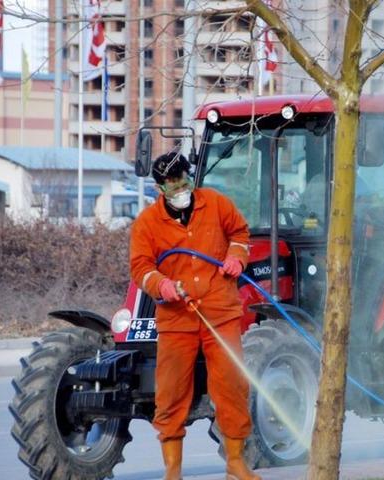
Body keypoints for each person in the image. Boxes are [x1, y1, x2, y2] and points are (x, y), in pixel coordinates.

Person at [129, 151, 259, 480]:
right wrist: (162, 285)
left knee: (231, 386)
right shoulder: (147, 223)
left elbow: (241, 235)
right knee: (170, 393)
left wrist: (236, 258)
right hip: (177, 320)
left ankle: (235, 461)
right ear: (159, 188)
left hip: (220, 312)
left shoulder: (216, 204)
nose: (178, 189)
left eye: (182, 181)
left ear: (190, 177)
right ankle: (173, 470)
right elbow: (140, 268)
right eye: (170, 185)